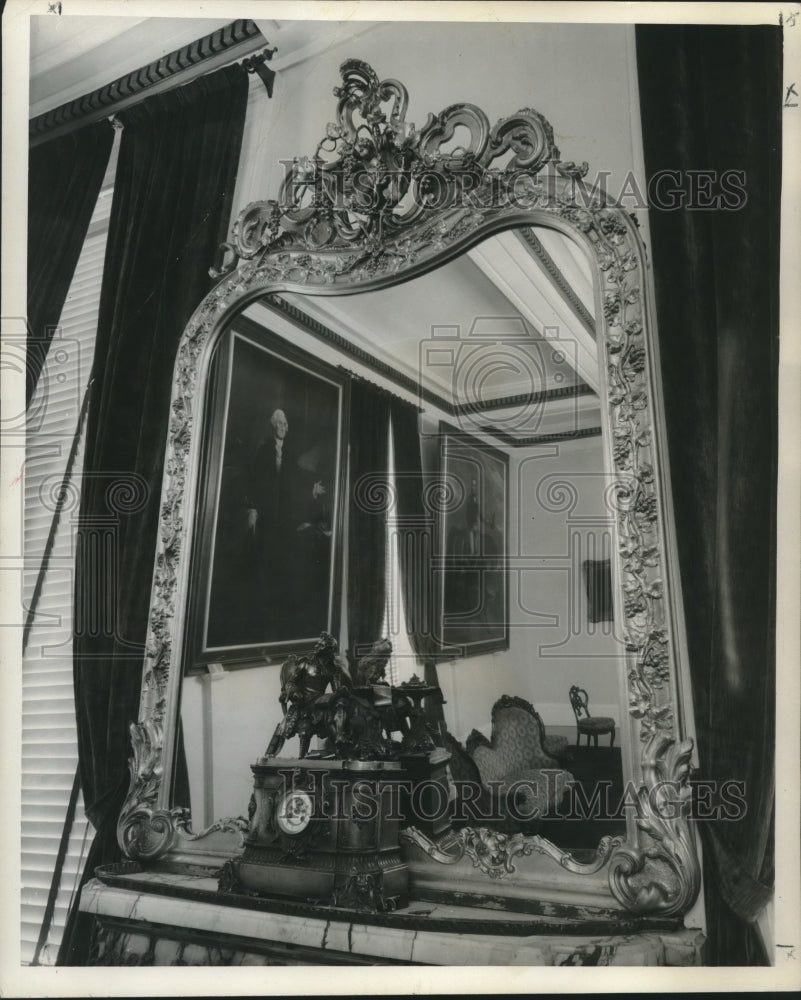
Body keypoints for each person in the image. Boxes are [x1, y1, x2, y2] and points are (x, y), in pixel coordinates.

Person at [245, 408, 329, 640]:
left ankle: (278, 615)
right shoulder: (263, 452)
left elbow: (298, 476)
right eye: (279, 423)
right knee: (264, 563)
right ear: (272, 426)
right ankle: (262, 616)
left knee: (281, 563)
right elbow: (254, 482)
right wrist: (252, 508)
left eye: (286, 423)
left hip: (283, 517)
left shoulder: (289, 454)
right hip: (266, 515)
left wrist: (311, 488)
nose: (283, 427)